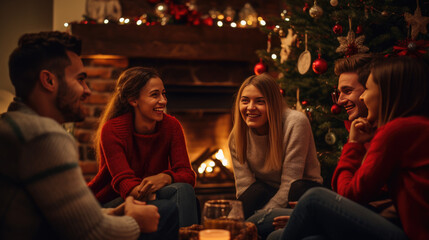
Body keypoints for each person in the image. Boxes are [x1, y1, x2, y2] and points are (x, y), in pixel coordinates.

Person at [0, 31, 179, 239]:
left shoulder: (11, 124)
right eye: (80, 80)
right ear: (49, 81)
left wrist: (113, 213)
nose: (87, 91)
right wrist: (134, 222)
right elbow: (92, 233)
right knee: (166, 211)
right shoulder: (43, 136)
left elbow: (62, 218)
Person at [273, 56, 429, 240]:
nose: (363, 96)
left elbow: (349, 195)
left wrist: (353, 144)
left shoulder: (397, 131)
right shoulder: (418, 126)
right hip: (400, 225)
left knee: (313, 198)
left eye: (368, 89)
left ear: (388, 93)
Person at [88, 66, 198, 227]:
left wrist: (164, 178)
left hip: (153, 192)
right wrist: (156, 191)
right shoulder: (112, 130)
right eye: (155, 95)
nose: (163, 101)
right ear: (133, 100)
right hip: (114, 202)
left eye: (163, 94)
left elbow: (187, 175)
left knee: (185, 192)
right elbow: (125, 184)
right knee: (181, 199)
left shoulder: (172, 126)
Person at [228, 73, 323, 236]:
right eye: (245, 101)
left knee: (296, 188)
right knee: (254, 192)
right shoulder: (236, 137)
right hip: (266, 192)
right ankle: (229, 230)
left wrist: (259, 217)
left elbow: (290, 182)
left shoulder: (295, 122)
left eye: (260, 101)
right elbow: (244, 189)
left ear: (273, 103)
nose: (250, 107)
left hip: (299, 192)